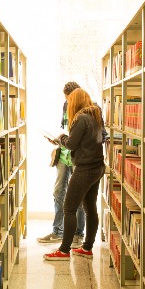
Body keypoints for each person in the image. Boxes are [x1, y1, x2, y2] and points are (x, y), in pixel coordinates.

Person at [43, 88, 106, 260]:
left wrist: (61, 138)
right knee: (90, 208)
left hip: (85, 168)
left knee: (69, 208)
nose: (68, 104)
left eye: (70, 101)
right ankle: (87, 247)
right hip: (97, 167)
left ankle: (63, 251)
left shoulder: (80, 118)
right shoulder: (95, 116)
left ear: (75, 101)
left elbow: (71, 144)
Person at [37, 81, 86, 248]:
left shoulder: (86, 110)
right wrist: (57, 140)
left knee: (78, 197)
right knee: (58, 193)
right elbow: (66, 130)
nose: (67, 102)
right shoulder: (66, 106)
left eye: (69, 99)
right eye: (66, 100)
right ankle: (57, 231)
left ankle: (78, 234)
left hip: (77, 159)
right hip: (63, 156)